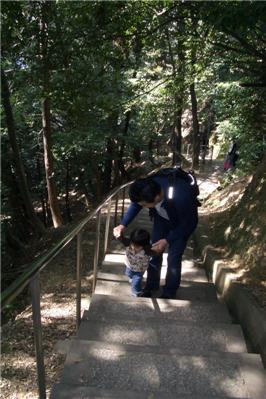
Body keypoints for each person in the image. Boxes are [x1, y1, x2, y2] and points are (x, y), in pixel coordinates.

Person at [113, 168, 199, 299]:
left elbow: (190, 223)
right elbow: (136, 204)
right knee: (152, 251)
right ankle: (151, 285)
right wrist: (122, 224)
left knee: (174, 257)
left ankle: (169, 291)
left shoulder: (182, 195)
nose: (142, 206)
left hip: (181, 224)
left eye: (145, 205)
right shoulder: (149, 186)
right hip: (161, 219)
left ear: (157, 198)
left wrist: (167, 240)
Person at [118, 228, 156, 297]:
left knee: (136, 282)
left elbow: (155, 252)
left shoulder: (147, 250)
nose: (134, 248)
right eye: (133, 244)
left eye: (138, 247)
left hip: (139, 270)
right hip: (129, 266)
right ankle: (132, 279)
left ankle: (136, 293)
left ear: (144, 245)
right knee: (128, 274)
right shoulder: (128, 243)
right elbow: (121, 239)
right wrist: (119, 233)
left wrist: (159, 249)